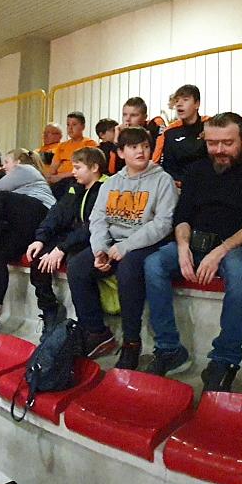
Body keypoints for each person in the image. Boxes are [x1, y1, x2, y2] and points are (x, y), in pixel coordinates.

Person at [143, 113, 242, 391]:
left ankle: (225, 360)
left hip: (235, 246)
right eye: (212, 143)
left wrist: (219, 251)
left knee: (240, 274)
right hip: (195, 241)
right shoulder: (197, 169)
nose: (219, 150)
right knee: (154, 264)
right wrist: (183, 247)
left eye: (227, 143)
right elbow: (182, 215)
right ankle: (169, 348)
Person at [0, 147, 104, 342]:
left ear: (94, 167)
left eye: (77, 167)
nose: (73, 171)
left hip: (90, 240)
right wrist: (40, 239)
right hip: (63, 235)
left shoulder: (105, 188)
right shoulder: (73, 187)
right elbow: (57, 213)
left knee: (72, 266)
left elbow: (92, 226)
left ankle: (86, 327)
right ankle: (46, 308)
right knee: (27, 255)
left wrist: (62, 248)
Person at [75, 127, 179, 370]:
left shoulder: (162, 180)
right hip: (113, 242)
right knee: (77, 267)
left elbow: (163, 224)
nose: (141, 151)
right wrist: (100, 249)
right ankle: (96, 332)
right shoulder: (112, 183)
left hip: (146, 243)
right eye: (133, 147)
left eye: (145, 146)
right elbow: (98, 219)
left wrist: (126, 247)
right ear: (121, 152)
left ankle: (131, 342)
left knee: (129, 269)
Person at [153, 84, 208, 181]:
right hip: (178, 184)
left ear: (197, 104)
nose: (179, 104)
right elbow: (168, 167)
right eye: (177, 100)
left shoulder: (211, 127)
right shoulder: (170, 133)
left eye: (185, 100)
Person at [44, 113, 99, 184]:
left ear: (83, 127)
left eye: (74, 124)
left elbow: (87, 169)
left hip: (76, 180)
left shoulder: (89, 144)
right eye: (68, 125)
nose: (70, 128)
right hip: (58, 181)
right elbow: (53, 168)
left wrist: (60, 176)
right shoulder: (62, 146)